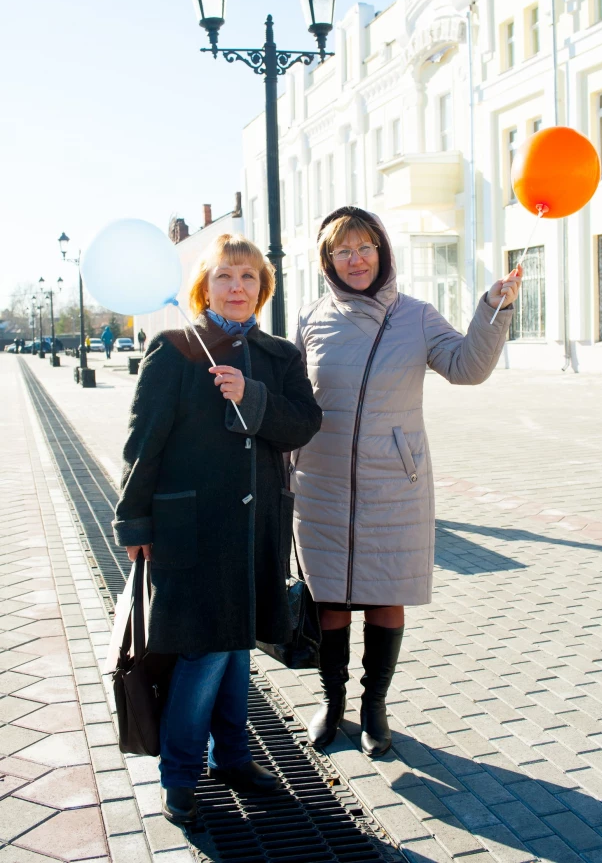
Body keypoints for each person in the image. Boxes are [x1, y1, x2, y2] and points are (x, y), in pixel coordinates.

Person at [291, 206, 522, 758]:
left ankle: (374, 707)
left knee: (383, 597)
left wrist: (493, 309)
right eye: (342, 250)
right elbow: (292, 401)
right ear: (328, 261)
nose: (356, 259)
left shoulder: (415, 316)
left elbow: (468, 366)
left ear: (382, 251)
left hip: (393, 481)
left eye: (365, 246)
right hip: (320, 481)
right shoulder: (310, 319)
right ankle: (332, 701)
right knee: (330, 601)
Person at [112, 233, 322, 825]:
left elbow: (304, 424)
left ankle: (231, 758)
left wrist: (251, 395)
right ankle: (180, 779)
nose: (237, 287)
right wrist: (134, 518)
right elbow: (142, 441)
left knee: (237, 650)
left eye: (249, 277)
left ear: (263, 288)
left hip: (258, 528)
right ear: (205, 286)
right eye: (225, 276)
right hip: (192, 528)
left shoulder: (280, 355)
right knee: (205, 652)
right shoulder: (175, 347)